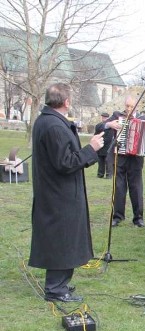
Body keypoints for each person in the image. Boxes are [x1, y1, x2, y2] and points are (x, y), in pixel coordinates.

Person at [29, 83, 105, 302]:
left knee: (66, 237)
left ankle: (61, 284)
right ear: (66, 102)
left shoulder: (49, 120)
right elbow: (65, 162)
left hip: (57, 191)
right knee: (62, 238)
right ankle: (55, 288)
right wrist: (91, 149)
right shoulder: (54, 126)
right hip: (58, 193)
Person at [105, 96, 145, 227]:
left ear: (136, 106)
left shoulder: (143, 119)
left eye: (131, 106)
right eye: (127, 106)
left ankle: (138, 218)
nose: (128, 109)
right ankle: (118, 216)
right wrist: (110, 124)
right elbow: (101, 126)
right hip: (120, 156)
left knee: (136, 188)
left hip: (136, 159)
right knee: (119, 187)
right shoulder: (117, 115)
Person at [94, 112, 114, 178]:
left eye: (105, 117)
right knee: (100, 162)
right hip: (100, 146)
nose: (104, 119)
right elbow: (96, 134)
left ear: (108, 118)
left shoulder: (110, 127)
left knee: (108, 162)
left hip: (107, 147)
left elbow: (109, 138)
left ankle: (109, 175)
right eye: (103, 117)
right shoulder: (99, 125)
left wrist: (101, 142)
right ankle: (100, 174)